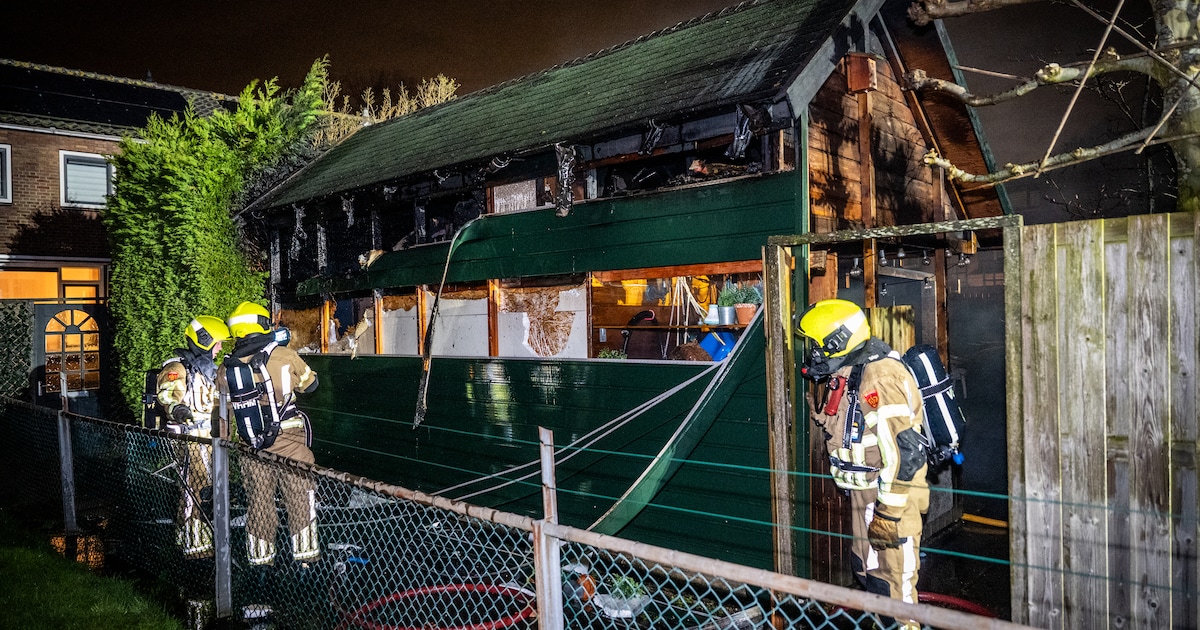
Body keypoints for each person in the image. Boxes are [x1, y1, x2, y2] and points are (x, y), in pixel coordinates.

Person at [796, 299, 929, 622]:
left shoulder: (880, 376)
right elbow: (846, 426)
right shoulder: (853, 368)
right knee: (867, 573)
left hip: (892, 497)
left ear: (837, 341)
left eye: (817, 345)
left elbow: (906, 453)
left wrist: (888, 515)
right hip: (865, 494)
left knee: (894, 587)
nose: (813, 352)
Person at [221, 301, 320, 568]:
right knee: (300, 498)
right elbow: (311, 384)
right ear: (262, 324)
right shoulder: (284, 355)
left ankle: (260, 562)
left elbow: (222, 410)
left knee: (258, 502)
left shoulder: (228, 367)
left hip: (251, 445)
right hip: (290, 442)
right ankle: (306, 562)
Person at [156, 315, 230, 559]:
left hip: (208, 439)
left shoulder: (208, 371)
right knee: (194, 490)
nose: (220, 347)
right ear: (205, 340)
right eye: (218, 342)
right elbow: (166, 396)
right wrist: (176, 409)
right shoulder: (177, 369)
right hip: (189, 439)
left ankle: (190, 538)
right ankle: (194, 547)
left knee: (206, 489)